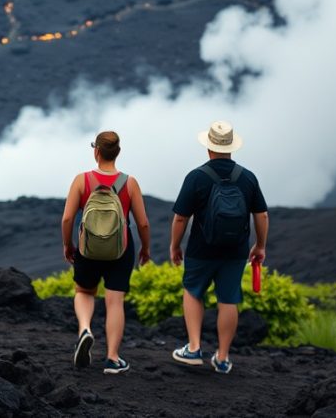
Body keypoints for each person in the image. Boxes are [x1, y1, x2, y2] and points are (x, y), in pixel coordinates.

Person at [170, 120, 269, 375]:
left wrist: (175, 246)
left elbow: (181, 218)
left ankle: (194, 348)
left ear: (209, 147)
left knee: (193, 291)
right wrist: (260, 245)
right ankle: (223, 358)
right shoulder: (247, 177)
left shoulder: (196, 177)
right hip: (235, 251)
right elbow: (261, 215)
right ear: (231, 147)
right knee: (229, 299)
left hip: (201, 249)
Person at [60, 130, 151, 374]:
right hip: (121, 249)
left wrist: (68, 245)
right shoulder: (129, 183)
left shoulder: (82, 180)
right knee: (115, 301)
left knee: (84, 291)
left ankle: (85, 329)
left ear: (96, 152)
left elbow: (67, 218)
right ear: (117, 152)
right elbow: (143, 223)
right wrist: (145, 248)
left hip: (88, 248)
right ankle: (112, 358)